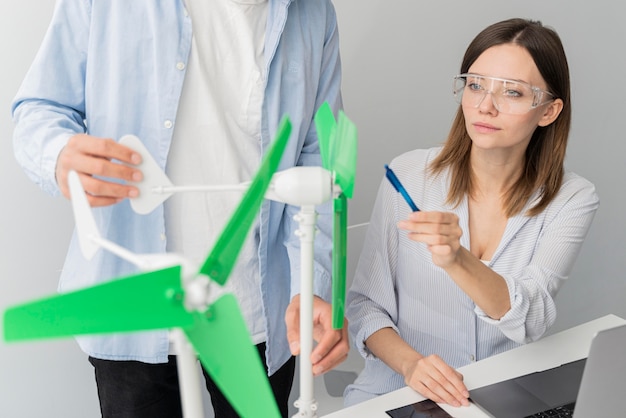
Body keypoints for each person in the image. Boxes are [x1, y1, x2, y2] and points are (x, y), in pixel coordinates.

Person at [11, 0, 349, 417]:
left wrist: (310, 283)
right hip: (134, 303)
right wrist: (58, 155)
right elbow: (39, 108)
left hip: (260, 310)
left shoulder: (313, 14)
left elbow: (320, 161)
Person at [343, 18, 599, 408]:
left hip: (502, 394)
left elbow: (530, 319)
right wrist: (412, 366)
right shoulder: (409, 175)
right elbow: (366, 306)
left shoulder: (572, 198)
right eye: (475, 85)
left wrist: (457, 259)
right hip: (397, 391)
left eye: (512, 92)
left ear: (548, 111)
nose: (485, 105)